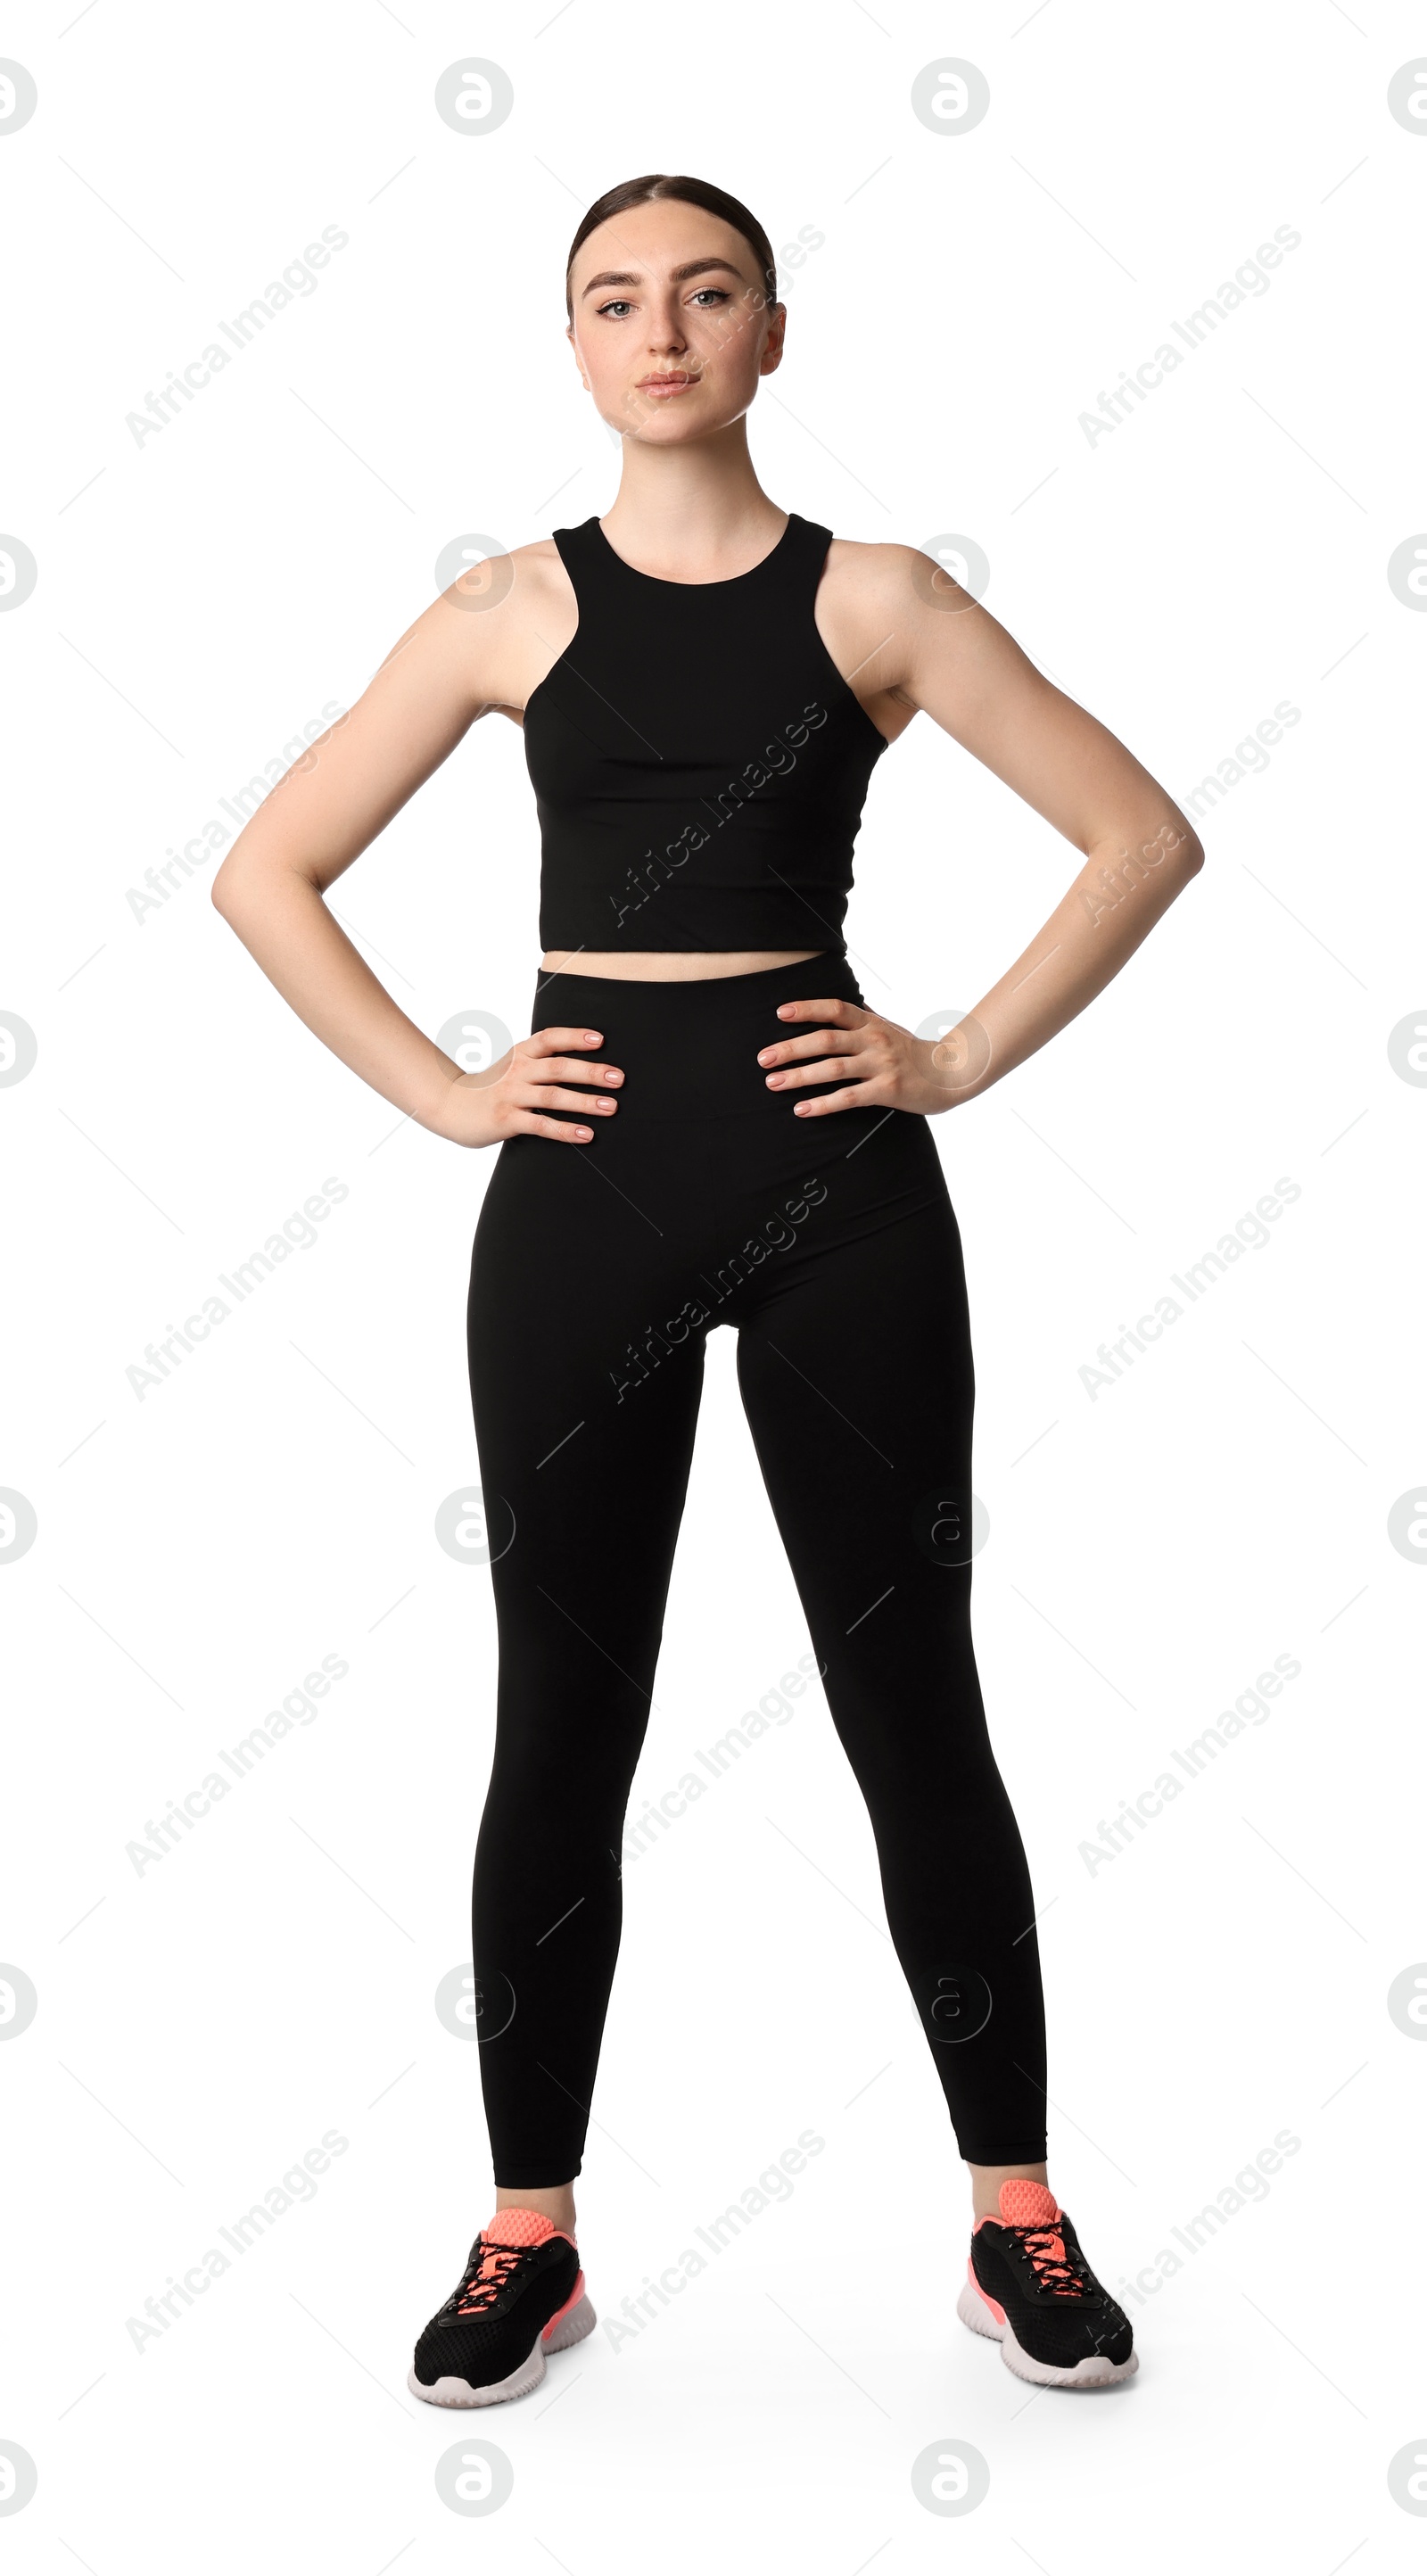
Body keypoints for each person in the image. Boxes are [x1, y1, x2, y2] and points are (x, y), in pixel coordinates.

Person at [212, 170, 1203, 2406]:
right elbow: (262, 871)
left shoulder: (878, 598)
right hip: (578, 1204)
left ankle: (1013, 2219)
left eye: (705, 294)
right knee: (560, 1721)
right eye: (613, 301)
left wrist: (943, 1054)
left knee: (905, 1701)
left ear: (769, 335)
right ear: (573, 350)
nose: (658, 331)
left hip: (835, 1190)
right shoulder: (500, 613)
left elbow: (1139, 833)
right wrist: (449, 1091)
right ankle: (525, 2237)